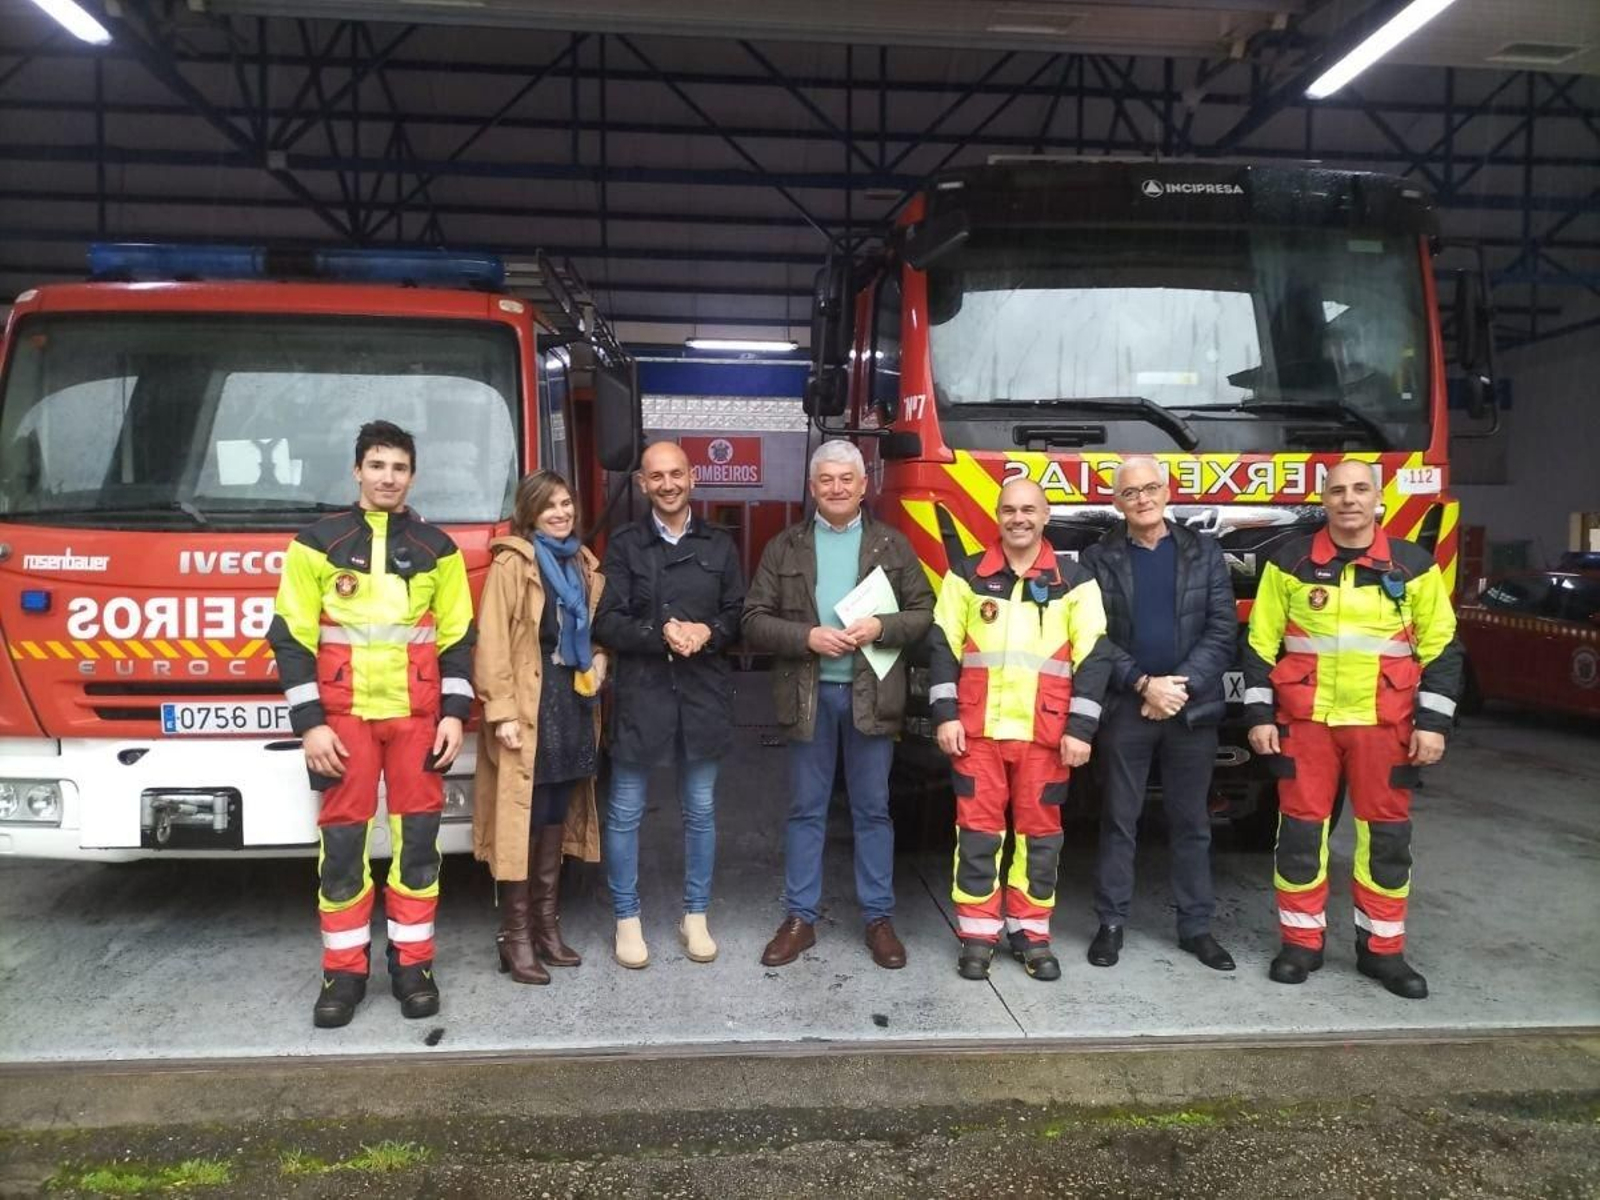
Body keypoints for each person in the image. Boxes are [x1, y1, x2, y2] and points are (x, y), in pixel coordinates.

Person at [268, 420, 475, 1029]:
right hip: (342, 724)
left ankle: (414, 966)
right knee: (342, 852)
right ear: (357, 471)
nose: (388, 477)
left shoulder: (439, 549)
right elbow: (291, 638)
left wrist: (455, 716)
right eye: (378, 466)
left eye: (400, 467)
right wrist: (310, 724)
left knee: (418, 851)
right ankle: (344, 973)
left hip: (417, 724)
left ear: (412, 476)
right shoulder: (316, 544)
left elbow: (459, 639)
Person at [1244, 458, 1461, 999]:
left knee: (1385, 841)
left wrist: (1432, 725)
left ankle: (1383, 951)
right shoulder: (1289, 562)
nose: (1349, 500)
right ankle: (1300, 943)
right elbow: (1258, 644)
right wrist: (1257, 715)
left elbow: (1443, 650)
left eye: (1360, 489)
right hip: (1306, 725)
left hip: (1384, 727)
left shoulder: (1413, 566)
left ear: (1378, 499)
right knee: (1299, 836)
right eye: (1338, 490)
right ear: (1325, 499)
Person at [742, 440, 935, 970]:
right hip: (809, 697)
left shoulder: (892, 546)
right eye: (826, 480)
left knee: (873, 810)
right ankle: (800, 918)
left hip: (871, 695)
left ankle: (878, 919)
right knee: (806, 810)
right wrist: (807, 637)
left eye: (846, 479)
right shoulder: (784, 548)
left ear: (863, 484)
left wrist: (881, 627)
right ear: (812, 487)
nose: (836, 488)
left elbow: (924, 612)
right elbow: (753, 618)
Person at [929, 478, 1112, 981]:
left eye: (1029, 509)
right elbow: (942, 649)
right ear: (997, 515)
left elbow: (1094, 658)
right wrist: (945, 716)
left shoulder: (1075, 581)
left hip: (1047, 736)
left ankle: (1031, 933)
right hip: (977, 731)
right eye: (1009, 509)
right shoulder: (965, 576)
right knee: (978, 836)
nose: (1018, 519)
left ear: (1046, 515)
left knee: (1040, 838)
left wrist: (1081, 729)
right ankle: (978, 934)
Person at [1080, 457, 1238, 973]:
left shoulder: (1204, 551)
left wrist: (1177, 687)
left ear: (1167, 492)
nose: (1142, 499)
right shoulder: (1098, 557)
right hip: (1128, 706)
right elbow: (1094, 635)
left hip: (1191, 710)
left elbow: (1222, 629)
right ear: (1116, 501)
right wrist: (1144, 684)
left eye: (1150, 489)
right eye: (1130, 493)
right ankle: (1110, 924)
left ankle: (1196, 928)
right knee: (1119, 820)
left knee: (1192, 822)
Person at [593, 440, 745, 968]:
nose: (667, 484)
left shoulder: (721, 546)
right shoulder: (625, 544)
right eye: (656, 476)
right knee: (625, 812)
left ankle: (695, 916)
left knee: (700, 812)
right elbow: (606, 621)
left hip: (703, 696)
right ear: (641, 484)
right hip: (643, 696)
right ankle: (627, 920)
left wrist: (710, 630)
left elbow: (738, 616)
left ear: (693, 477)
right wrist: (662, 633)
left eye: (676, 474)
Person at [472, 471, 607, 986]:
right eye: (549, 505)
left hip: (570, 705)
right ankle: (515, 937)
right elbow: (493, 644)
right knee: (520, 823)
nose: (561, 512)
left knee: (553, 812)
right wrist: (501, 711)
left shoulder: (581, 563)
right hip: (528, 707)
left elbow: (595, 631)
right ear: (529, 513)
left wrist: (600, 660)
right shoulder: (514, 563)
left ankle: (547, 927)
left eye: (567, 502)